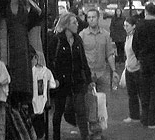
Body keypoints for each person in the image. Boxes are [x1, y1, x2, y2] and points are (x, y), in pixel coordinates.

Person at [47, 12, 92, 140]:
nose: (77, 25)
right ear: (66, 25)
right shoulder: (56, 40)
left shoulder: (78, 40)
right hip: (62, 82)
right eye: (74, 23)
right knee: (58, 111)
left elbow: (83, 61)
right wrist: (54, 78)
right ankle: (56, 136)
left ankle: (85, 136)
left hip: (77, 81)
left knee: (81, 110)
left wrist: (88, 79)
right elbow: (50, 61)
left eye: (77, 22)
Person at [132, 2, 155, 129]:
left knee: (145, 91)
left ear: (146, 12)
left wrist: (140, 57)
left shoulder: (139, 25)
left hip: (144, 62)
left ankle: (145, 118)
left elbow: (134, 45)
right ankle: (153, 121)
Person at [79, 8, 118, 92]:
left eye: (93, 17)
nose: (91, 19)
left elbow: (109, 54)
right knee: (89, 102)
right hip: (87, 74)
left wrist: (114, 70)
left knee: (103, 101)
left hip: (102, 73)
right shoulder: (82, 35)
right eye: (89, 17)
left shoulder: (105, 35)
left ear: (98, 18)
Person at [122, 16, 141, 124]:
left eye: (127, 26)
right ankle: (134, 115)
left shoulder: (136, 37)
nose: (125, 28)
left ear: (134, 26)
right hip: (129, 68)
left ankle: (145, 114)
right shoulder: (127, 37)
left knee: (141, 93)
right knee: (132, 94)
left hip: (137, 68)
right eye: (124, 25)